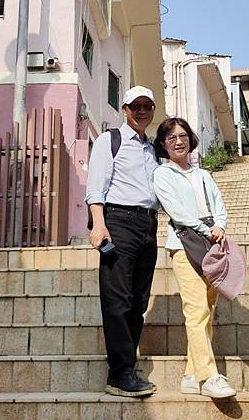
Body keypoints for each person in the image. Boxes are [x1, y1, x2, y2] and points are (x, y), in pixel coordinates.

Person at [153, 117, 236, 399]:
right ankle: (209, 376)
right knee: (196, 309)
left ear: (190, 139)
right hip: (184, 244)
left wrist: (220, 226)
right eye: (172, 138)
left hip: (213, 243)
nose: (179, 141)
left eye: (183, 135)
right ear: (163, 145)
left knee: (208, 309)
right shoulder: (162, 175)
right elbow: (177, 212)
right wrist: (206, 229)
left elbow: (219, 203)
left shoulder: (202, 174)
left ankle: (191, 374)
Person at [86, 86, 159, 397]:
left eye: (147, 106)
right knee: (118, 300)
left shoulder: (153, 149)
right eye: (135, 106)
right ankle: (119, 373)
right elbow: (96, 185)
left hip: (148, 225)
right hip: (118, 221)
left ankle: (127, 366)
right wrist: (98, 225)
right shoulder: (110, 140)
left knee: (139, 302)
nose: (141, 111)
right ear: (125, 109)